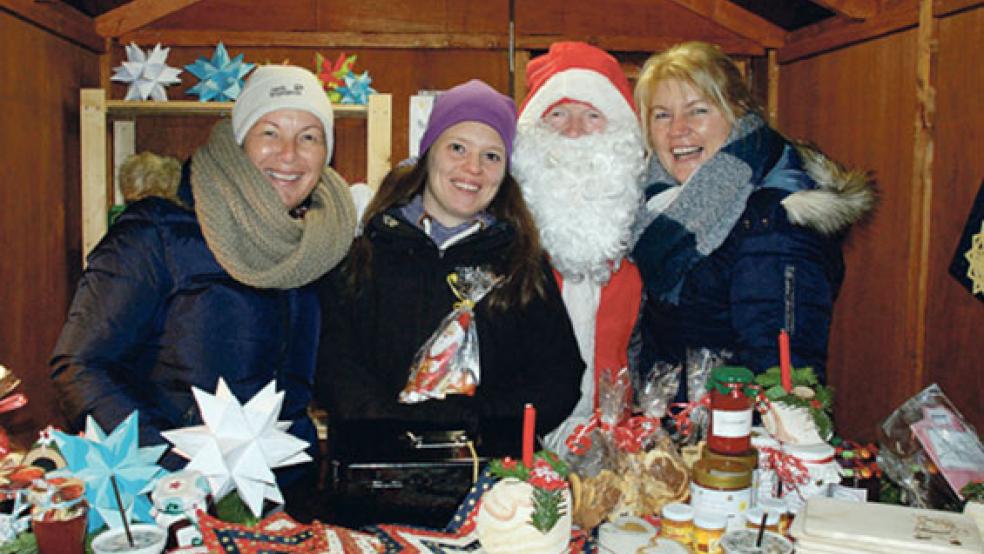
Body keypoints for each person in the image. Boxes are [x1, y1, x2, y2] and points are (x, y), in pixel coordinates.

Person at [50, 65, 357, 513]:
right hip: (176, 501)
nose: (289, 154)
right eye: (270, 132)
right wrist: (174, 466)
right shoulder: (158, 232)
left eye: (310, 136)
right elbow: (79, 365)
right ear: (239, 139)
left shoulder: (322, 241)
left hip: (286, 495)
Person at [316, 79, 583, 525]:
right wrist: (391, 422)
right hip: (377, 488)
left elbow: (558, 377)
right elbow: (333, 361)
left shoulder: (522, 262)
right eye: (457, 147)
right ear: (429, 153)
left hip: (494, 493)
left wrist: (474, 419)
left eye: (491, 155)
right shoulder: (364, 249)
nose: (472, 168)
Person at [631, 41, 874, 395]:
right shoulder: (656, 208)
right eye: (662, 115)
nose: (677, 129)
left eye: (698, 111)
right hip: (676, 434)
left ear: (739, 112)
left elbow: (785, 383)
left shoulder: (775, 222)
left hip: (736, 442)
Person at [510, 42, 647, 457]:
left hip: (617, 449)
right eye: (557, 114)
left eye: (592, 116)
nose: (573, 131)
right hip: (516, 450)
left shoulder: (647, 235)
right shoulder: (503, 239)